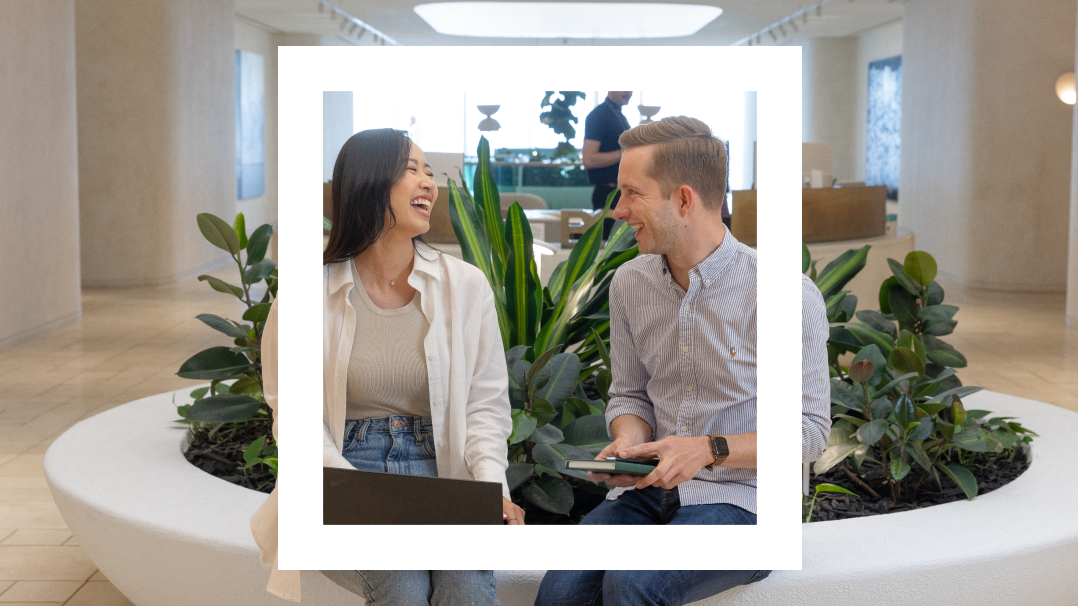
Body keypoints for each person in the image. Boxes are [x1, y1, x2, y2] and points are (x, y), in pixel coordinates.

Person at [533, 116, 831, 606]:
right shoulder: (630, 282)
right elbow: (629, 393)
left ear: (684, 200)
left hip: (746, 503)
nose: (618, 210)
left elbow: (810, 431)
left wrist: (707, 449)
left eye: (630, 193)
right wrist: (628, 444)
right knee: (560, 592)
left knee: (632, 583)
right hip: (647, 491)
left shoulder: (785, 294)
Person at [250, 128, 525, 604]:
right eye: (411, 169)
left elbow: (485, 404)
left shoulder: (465, 285)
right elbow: (294, 419)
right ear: (369, 182)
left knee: (465, 588)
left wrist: (489, 488)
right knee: (401, 584)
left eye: (429, 172)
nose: (429, 183)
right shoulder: (305, 295)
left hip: (445, 473)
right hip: (347, 470)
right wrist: (350, 492)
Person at [582, 91, 633, 239]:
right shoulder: (597, 116)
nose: (629, 91)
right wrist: (624, 153)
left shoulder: (619, 115)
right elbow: (589, 159)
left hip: (619, 193)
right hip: (607, 196)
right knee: (605, 251)